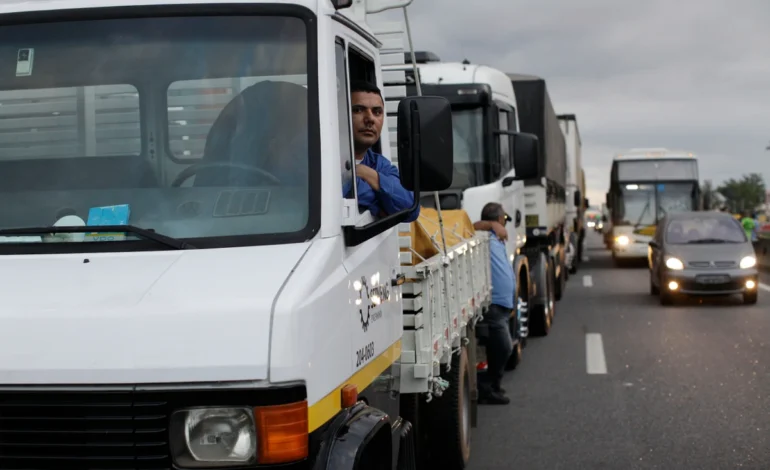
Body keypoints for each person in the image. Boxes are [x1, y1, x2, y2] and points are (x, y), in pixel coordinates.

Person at [342, 81, 420, 223]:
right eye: (358, 110)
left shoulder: (377, 163)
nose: (370, 119)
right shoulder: (316, 156)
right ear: (340, 114)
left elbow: (411, 209)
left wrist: (366, 173)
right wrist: (376, 205)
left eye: (377, 112)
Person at [472, 203, 516, 405]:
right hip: (494, 304)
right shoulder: (484, 236)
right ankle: (485, 387)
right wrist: (490, 225)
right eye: (504, 220)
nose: (504, 224)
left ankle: (493, 387)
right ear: (497, 219)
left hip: (503, 305)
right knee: (504, 347)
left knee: (497, 348)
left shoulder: (496, 238)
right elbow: (471, 226)